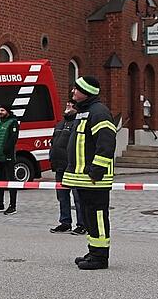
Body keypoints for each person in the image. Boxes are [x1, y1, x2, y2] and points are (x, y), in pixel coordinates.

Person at [63, 76, 116, 270]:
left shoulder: (99, 113)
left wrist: (96, 171)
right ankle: (93, 250)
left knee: (98, 216)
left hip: (95, 179)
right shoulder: (84, 112)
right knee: (88, 215)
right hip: (85, 178)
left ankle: (100, 257)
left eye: (76, 90)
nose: (72, 92)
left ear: (86, 92)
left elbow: (106, 143)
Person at [49, 99, 86, 234]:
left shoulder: (78, 123)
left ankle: (82, 224)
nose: (68, 106)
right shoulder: (60, 124)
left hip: (72, 166)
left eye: (71, 105)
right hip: (59, 166)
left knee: (78, 197)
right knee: (62, 196)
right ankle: (65, 222)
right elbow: (54, 142)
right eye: (67, 105)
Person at [0, 104, 20, 214]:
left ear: (7, 111)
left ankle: (12, 205)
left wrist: (6, 151)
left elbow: (13, 139)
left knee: (11, 181)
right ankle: (0, 204)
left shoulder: (13, 122)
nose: (0, 112)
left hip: (7, 157)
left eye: (2, 110)